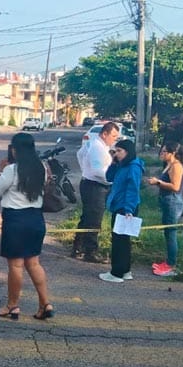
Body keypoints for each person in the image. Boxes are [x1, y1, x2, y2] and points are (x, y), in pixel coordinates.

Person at [0, 132, 53, 320]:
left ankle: (12, 306)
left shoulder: (11, 170)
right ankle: (45, 303)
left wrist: (0, 172)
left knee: (16, 265)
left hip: (15, 220)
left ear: (15, 150)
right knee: (33, 263)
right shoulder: (41, 167)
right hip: (36, 219)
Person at [98, 139, 144, 283]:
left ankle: (117, 272)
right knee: (122, 240)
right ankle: (125, 270)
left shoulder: (133, 167)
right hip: (119, 205)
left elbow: (133, 189)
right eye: (115, 151)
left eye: (119, 151)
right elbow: (109, 177)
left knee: (120, 241)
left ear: (127, 152)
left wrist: (128, 209)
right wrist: (113, 162)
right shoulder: (122, 165)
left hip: (125, 207)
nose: (116, 154)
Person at [74, 121, 120, 263]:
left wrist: (84, 170)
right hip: (95, 185)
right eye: (113, 136)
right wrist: (111, 179)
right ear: (104, 134)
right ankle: (90, 251)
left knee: (87, 217)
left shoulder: (96, 145)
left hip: (90, 182)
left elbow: (79, 154)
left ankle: (78, 247)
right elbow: (98, 171)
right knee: (94, 220)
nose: (115, 139)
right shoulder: (97, 148)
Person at [147, 141, 183, 277]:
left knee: (171, 233)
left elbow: (175, 186)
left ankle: (171, 264)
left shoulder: (176, 166)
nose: (161, 154)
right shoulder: (169, 165)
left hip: (173, 202)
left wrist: (158, 182)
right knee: (168, 232)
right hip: (167, 201)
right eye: (161, 151)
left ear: (172, 153)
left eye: (164, 152)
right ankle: (168, 260)